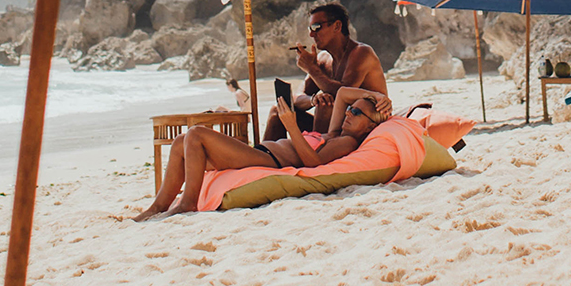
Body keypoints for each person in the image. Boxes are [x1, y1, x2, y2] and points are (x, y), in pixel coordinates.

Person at [135, 83, 393, 217]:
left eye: (357, 112)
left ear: (370, 126)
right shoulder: (336, 132)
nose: (349, 112)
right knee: (182, 141)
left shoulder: (347, 143)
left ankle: (188, 204)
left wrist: (291, 127)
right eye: (350, 109)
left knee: (196, 135)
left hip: (267, 160)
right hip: (261, 151)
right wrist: (375, 95)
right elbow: (345, 93)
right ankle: (159, 206)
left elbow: (313, 163)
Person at [262, 3, 387, 145]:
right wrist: (313, 99)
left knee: (326, 105)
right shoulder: (323, 59)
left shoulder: (361, 53)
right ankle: (263, 157)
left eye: (316, 27)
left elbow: (343, 93)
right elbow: (297, 97)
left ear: (337, 26)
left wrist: (312, 69)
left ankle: (315, 156)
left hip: (363, 125)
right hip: (334, 128)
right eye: (310, 29)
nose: (311, 34)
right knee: (278, 111)